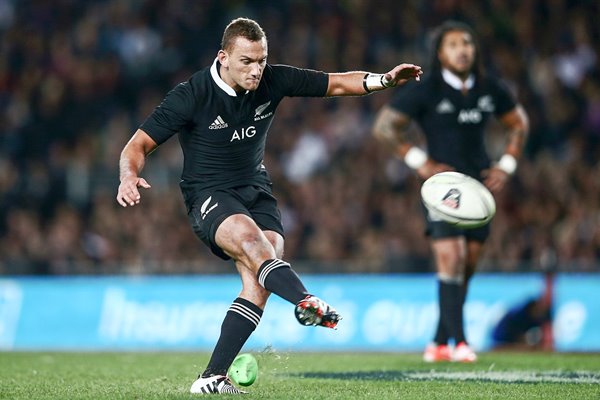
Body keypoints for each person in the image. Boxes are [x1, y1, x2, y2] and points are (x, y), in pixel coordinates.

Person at [116, 17, 422, 394]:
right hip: (208, 194)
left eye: (261, 60)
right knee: (253, 244)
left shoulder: (273, 79)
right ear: (223, 58)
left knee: (262, 273)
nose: (256, 70)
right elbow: (137, 145)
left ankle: (211, 377)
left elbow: (337, 82)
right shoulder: (191, 94)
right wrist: (128, 176)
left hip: (256, 190)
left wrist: (384, 80)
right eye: (247, 61)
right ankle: (307, 300)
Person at [373, 20, 528, 363]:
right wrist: (420, 162)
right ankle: (460, 342)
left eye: (468, 43)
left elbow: (518, 124)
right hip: (442, 189)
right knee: (451, 257)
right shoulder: (426, 89)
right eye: (454, 44)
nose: (463, 50)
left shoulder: (491, 88)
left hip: (479, 190)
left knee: (467, 266)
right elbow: (385, 126)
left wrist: (507, 165)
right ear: (440, 53)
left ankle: (438, 340)